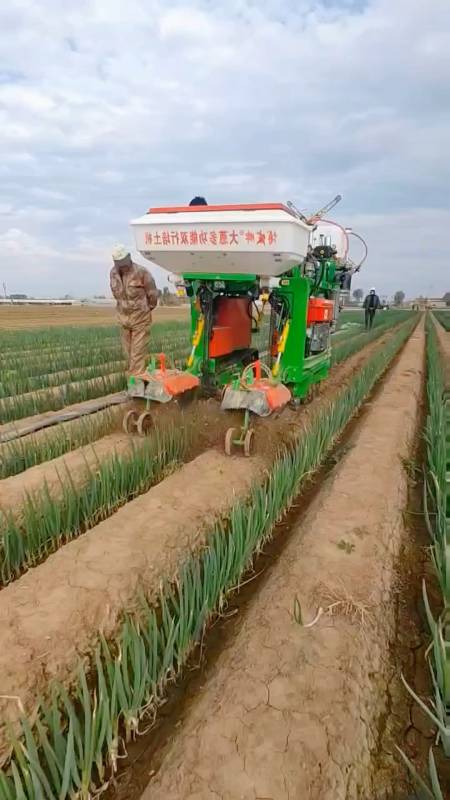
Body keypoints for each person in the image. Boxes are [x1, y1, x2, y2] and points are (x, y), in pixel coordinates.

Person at [109, 244, 158, 377]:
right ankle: (136, 379)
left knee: (137, 355)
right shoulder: (113, 273)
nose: (122, 266)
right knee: (128, 354)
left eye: (123, 262)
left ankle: (135, 384)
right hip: (123, 319)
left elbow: (153, 295)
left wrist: (145, 310)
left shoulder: (141, 272)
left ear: (129, 257)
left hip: (140, 319)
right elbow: (116, 294)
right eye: (118, 263)